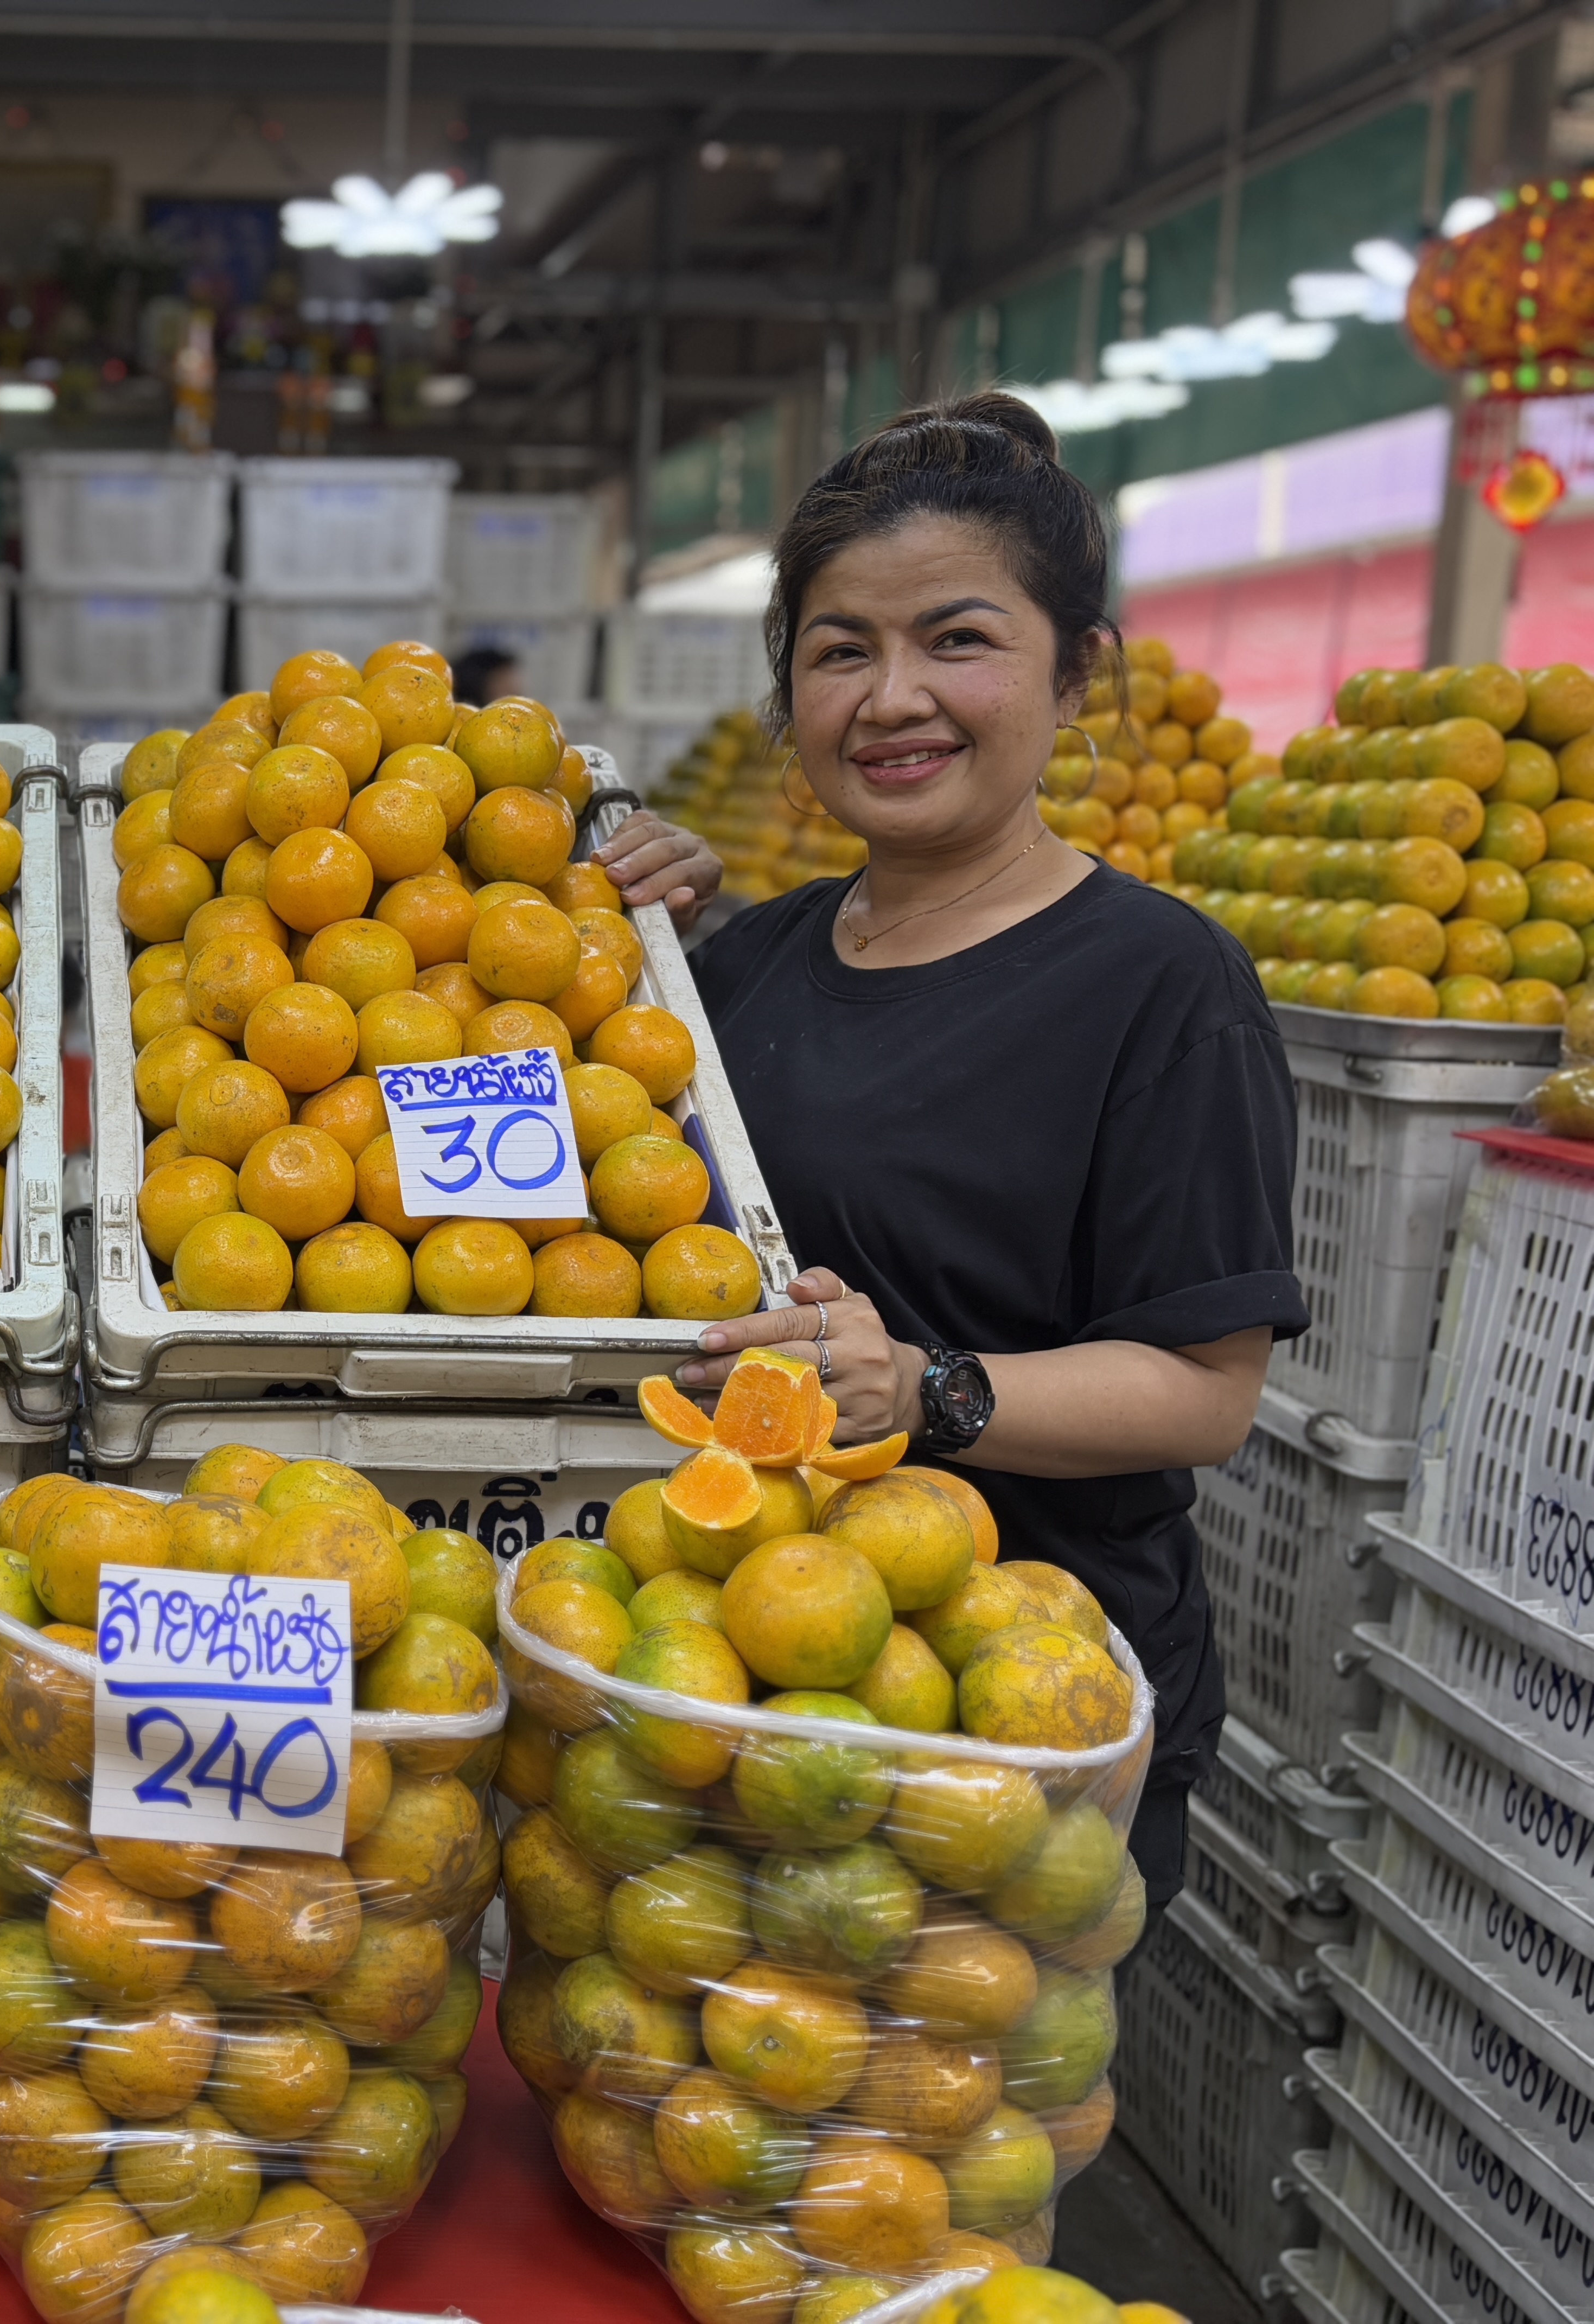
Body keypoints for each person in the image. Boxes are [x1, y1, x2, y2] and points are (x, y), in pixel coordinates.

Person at [590, 390, 1303, 1919]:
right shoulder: (747, 965)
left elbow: (1206, 1391)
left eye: (959, 642)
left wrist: (928, 1389)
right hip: (738, 1669)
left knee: (942, 2145)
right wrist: (623, 940)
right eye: (842, 649)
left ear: (1078, 672)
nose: (892, 697)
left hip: (1012, 1702)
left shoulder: (1162, 987)